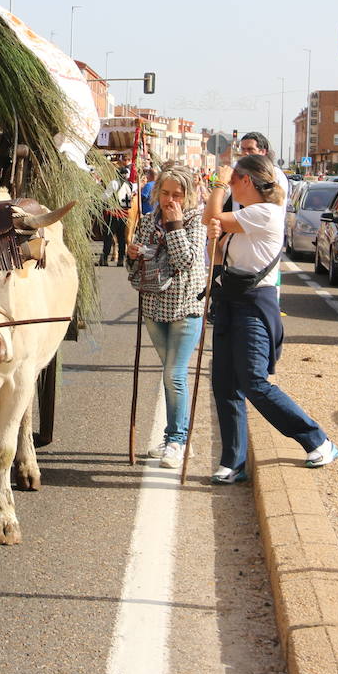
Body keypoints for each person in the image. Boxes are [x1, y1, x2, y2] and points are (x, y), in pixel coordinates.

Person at [205, 155, 338, 484]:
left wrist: (218, 185)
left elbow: (212, 214)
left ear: (247, 182)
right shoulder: (244, 217)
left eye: (234, 180)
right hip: (231, 301)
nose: (231, 185)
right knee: (224, 384)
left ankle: (317, 439)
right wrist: (213, 238)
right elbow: (219, 255)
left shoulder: (265, 212)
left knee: (254, 381)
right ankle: (233, 462)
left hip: (254, 304)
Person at [126, 164, 207, 468]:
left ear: (187, 196)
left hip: (186, 307)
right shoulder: (147, 221)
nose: (170, 199)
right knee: (170, 375)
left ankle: (178, 440)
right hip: (153, 308)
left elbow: (186, 260)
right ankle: (173, 437)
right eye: (165, 192)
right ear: (157, 191)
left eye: (177, 194)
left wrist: (174, 227)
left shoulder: (196, 222)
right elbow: (136, 267)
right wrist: (131, 254)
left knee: (174, 375)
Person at [100, 170, 134, 265]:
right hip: (125, 214)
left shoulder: (114, 183)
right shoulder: (130, 185)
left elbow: (105, 197)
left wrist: (98, 198)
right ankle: (120, 259)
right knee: (121, 238)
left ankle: (105, 258)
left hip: (113, 213)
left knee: (108, 236)